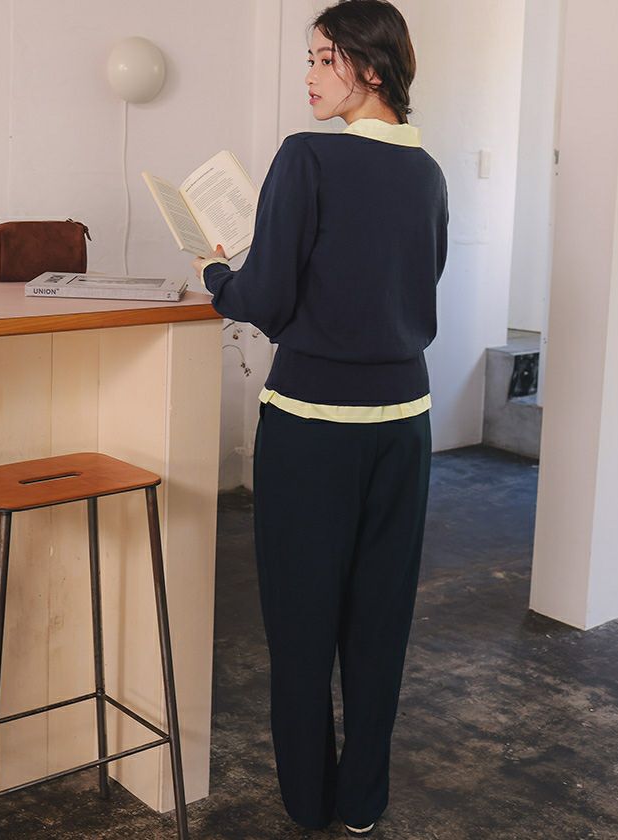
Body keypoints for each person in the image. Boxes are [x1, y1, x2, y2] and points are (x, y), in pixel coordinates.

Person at [192, 1, 448, 835]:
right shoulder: (429, 173)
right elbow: (414, 283)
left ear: (368, 68)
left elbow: (265, 299)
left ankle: (308, 801)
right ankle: (363, 804)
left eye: (322, 58)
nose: (307, 75)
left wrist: (217, 274)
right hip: (406, 423)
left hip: (312, 426)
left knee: (302, 627)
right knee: (380, 622)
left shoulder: (307, 157)